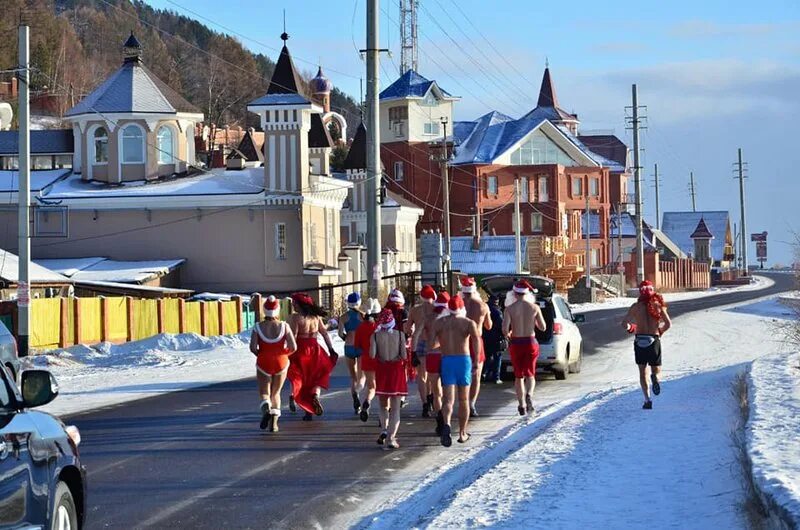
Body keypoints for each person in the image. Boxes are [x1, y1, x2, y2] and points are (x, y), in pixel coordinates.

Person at [432, 295, 481, 446]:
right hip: (463, 360)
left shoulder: (439, 323)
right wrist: (476, 361)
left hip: (447, 360)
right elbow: (476, 341)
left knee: (448, 400)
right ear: (461, 308)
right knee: (464, 399)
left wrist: (444, 343)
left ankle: (446, 424)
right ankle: (462, 433)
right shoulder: (468, 323)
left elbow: (431, 344)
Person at [287, 293, 338, 421]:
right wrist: (331, 349)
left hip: (300, 350)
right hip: (315, 350)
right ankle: (315, 395)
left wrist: (287, 352)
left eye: (294, 303)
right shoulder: (315, 317)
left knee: (299, 377)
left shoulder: (296, 318)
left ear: (300, 305)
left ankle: (300, 403)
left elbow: (293, 336)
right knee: (315, 378)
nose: (293, 305)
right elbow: (325, 333)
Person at [621, 280, 672, 410]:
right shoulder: (658, 305)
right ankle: (655, 377)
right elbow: (668, 324)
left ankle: (647, 400)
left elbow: (624, 324)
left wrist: (631, 328)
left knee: (642, 372)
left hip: (640, 340)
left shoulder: (635, 307)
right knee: (656, 369)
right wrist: (660, 331)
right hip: (653, 339)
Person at [250, 295, 297, 432]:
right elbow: (293, 347)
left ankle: (266, 410)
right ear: (277, 311)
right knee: (276, 393)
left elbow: (253, 347)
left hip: (264, 361)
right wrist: (284, 355)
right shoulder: (284, 326)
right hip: (281, 361)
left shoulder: (257, 327)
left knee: (264, 392)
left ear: (265, 310)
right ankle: (274, 423)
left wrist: (260, 354)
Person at [503, 280, 546, 416]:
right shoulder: (534, 308)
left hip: (516, 343)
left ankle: (521, 404)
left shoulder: (509, 309)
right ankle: (529, 395)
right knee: (530, 373)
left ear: (515, 294)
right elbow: (543, 327)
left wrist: (509, 334)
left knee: (518, 376)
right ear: (527, 294)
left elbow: (504, 329)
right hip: (531, 342)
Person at [369, 309, 408, 449]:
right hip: (396, 370)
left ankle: (384, 429)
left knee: (383, 404)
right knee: (396, 408)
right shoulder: (400, 335)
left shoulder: (375, 335)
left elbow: (372, 354)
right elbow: (404, 356)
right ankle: (391, 438)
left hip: (382, 370)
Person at [461, 277, 492, 417]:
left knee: (460, 375)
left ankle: (462, 401)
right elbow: (488, 326)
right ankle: (471, 404)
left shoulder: (458, 304)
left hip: (460, 340)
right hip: (476, 341)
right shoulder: (482, 306)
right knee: (476, 376)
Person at [422, 291, 450, 435]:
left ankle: (439, 418)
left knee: (436, 390)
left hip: (431, 355)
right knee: (448, 392)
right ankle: (446, 421)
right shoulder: (450, 318)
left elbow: (421, 335)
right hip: (446, 355)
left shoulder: (428, 318)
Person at [406, 285, 436, 417]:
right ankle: (431, 398)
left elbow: (407, 329)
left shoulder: (415, 310)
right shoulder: (437, 309)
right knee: (432, 375)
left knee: (421, 376)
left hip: (419, 343)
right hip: (434, 343)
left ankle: (425, 403)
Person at [355, 298, 382, 421]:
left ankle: (367, 401)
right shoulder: (380, 328)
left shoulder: (360, 327)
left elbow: (357, 345)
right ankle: (383, 416)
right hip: (380, 359)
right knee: (382, 389)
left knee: (371, 387)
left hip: (366, 359)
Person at [339, 292, 365, 413]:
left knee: (352, 376)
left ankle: (355, 396)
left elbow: (340, 333)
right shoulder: (363, 316)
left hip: (348, 346)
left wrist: (346, 337)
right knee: (361, 376)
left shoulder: (343, 317)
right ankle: (358, 391)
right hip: (360, 346)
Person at [482, 295, 506, 384]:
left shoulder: (484, 308)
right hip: (496, 337)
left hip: (485, 336)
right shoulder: (498, 311)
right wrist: (504, 335)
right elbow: (501, 325)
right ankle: (496, 377)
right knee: (497, 357)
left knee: (487, 356)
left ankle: (484, 373)